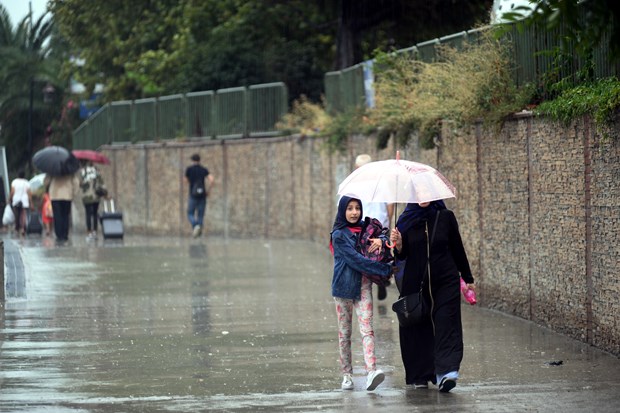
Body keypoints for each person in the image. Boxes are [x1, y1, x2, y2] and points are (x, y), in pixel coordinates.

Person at [389, 200, 475, 392]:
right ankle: (420, 374)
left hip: (446, 279)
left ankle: (446, 372)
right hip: (416, 282)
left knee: (446, 321)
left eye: (426, 192)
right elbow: (401, 257)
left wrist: (467, 276)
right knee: (417, 326)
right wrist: (399, 244)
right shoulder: (405, 221)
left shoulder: (445, 217)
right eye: (418, 193)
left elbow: (457, 247)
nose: (423, 197)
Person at [330, 195, 393, 391]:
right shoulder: (339, 235)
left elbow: (382, 233)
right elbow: (355, 259)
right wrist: (383, 269)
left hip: (364, 285)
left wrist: (381, 241)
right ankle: (347, 375)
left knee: (367, 329)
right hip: (343, 288)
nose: (354, 212)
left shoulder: (366, 228)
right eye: (349, 208)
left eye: (357, 208)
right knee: (345, 334)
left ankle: (371, 371)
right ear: (343, 211)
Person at [354, 154, 394, 300]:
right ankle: (382, 279)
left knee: (366, 256)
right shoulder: (382, 183)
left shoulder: (353, 185)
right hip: (380, 225)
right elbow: (390, 206)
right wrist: (386, 222)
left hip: (363, 228)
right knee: (381, 256)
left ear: (357, 168)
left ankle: (371, 281)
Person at [184, 153, 214, 238]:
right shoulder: (203, 169)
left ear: (192, 160)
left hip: (193, 195)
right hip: (202, 195)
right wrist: (208, 191)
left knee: (190, 213)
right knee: (200, 215)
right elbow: (212, 180)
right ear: (199, 160)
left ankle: (195, 225)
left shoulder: (189, 169)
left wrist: (191, 181)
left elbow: (185, 181)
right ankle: (199, 232)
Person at [48, 173, 80, 242]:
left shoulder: (52, 170)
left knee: (57, 216)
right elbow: (76, 183)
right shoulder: (70, 171)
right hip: (67, 195)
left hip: (55, 195)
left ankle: (59, 235)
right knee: (65, 215)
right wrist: (74, 193)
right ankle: (65, 234)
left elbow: (46, 182)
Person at [79, 161, 106, 240]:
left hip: (86, 196)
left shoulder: (83, 172)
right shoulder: (96, 171)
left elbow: (80, 184)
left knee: (88, 214)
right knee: (94, 213)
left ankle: (88, 232)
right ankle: (95, 231)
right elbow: (101, 182)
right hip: (96, 195)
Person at [9, 170, 32, 236]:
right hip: (24, 201)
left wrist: (9, 198)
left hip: (16, 200)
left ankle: (17, 228)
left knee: (17, 215)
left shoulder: (14, 182)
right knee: (23, 215)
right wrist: (31, 202)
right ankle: (22, 228)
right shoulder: (27, 182)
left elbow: (12, 191)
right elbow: (29, 193)